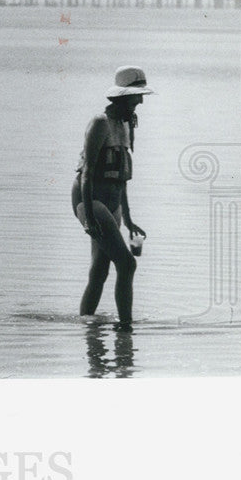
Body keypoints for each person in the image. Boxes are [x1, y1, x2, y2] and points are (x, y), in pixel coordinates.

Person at [71, 66, 154, 327]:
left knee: (100, 269)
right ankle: (126, 328)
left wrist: (128, 220)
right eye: (136, 96)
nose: (140, 101)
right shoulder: (100, 123)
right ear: (121, 96)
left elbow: (121, 177)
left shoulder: (127, 125)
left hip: (113, 201)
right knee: (127, 264)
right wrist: (88, 218)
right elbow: (87, 173)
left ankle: (87, 326)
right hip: (91, 199)